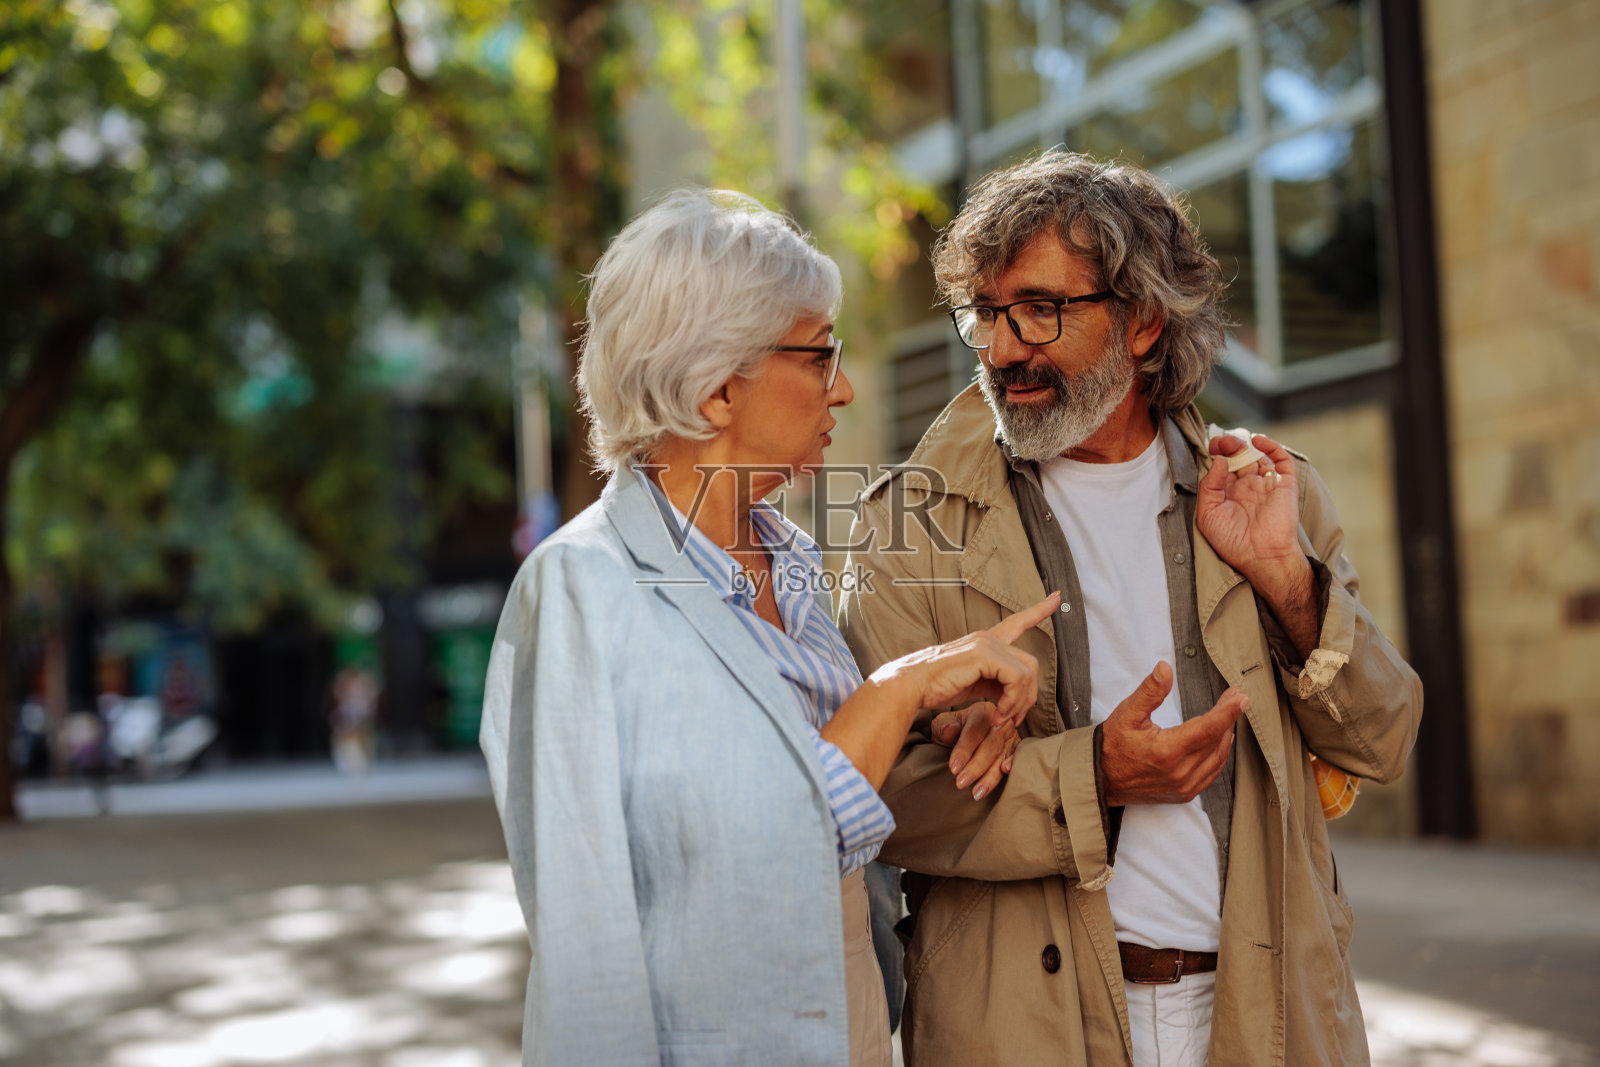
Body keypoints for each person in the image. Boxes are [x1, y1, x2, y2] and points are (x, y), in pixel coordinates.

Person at [837, 151, 1423, 1066]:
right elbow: (877, 802)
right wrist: (1093, 777)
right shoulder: (909, 526)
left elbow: (1382, 738)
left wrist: (1287, 581)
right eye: (985, 313)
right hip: (1019, 1032)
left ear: (1143, 321)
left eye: (1039, 309)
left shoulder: (1270, 492)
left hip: (1265, 1018)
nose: (1001, 349)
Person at [479, 188, 1054, 1066]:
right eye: (820, 356)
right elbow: (588, 948)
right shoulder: (580, 589)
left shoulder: (793, 565)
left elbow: (823, 809)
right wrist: (894, 692)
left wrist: (930, 729)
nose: (844, 387)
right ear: (717, 389)